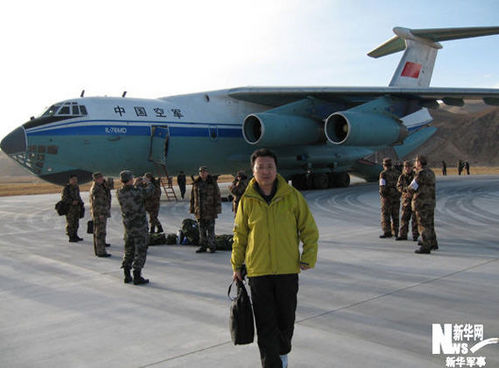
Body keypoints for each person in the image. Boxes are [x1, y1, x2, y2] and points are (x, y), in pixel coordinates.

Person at [231, 148, 319, 368]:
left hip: (287, 270)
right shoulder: (247, 200)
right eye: (260, 167)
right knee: (265, 324)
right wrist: (236, 264)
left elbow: (308, 229)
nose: (265, 171)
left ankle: (281, 353)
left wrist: (308, 256)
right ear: (253, 170)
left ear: (276, 169)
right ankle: (272, 363)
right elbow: (240, 234)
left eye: (269, 166)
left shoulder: (292, 196)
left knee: (286, 321)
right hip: (258, 272)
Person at [117, 170, 154, 285]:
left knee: (129, 250)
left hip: (128, 226)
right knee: (141, 250)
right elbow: (149, 191)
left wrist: (137, 184)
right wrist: (148, 182)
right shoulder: (137, 191)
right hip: (139, 225)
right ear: (130, 180)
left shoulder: (119, 192)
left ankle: (127, 275)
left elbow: (131, 192)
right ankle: (137, 275)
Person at [409, 155, 438, 254]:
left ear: (419, 163)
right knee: (430, 223)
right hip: (430, 202)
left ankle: (426, 246)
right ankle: (433, 243)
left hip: (421, 203)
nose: (415, 163)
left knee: (423, 225)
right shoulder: (431, 172)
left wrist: (405, 190)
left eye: (416, 161)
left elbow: (412, 187)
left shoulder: (420, 174)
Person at [190, 166, 221, 253]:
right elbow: (193, 197)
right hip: (199, 210)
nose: (202, 174)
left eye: (204, 172)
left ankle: (212, 246)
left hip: (210, 210)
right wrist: (192, 208)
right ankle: (203, 246)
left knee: (211, 229)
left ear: (207, 173)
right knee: (201, 230)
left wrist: (217, 209)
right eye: (201, 172)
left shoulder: (212, 182)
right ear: (199, 173)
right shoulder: (196, 183)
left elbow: (217, 195)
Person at [89, 172, 111, 257]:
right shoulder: (96, 189)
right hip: (99, 213)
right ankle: (100, 251)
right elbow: (97, 203)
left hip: (101, 212)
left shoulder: (101, 186)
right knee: (99, 232)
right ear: (96, 179)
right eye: (100, 178)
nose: (102, 179)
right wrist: (101, 214)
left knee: (101, 231)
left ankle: (101, 248)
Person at [396, 161, 419, 241]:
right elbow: (399, 187)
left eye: (408, 167)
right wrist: (405, 190)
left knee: (415, 219)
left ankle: (415, 235)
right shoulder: (402, 177)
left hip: (414, 200)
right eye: (406, 167)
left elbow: (418, 186)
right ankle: (403, 234)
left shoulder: (416, 176)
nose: (407, 169)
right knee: (404, 218)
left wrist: (412, 191)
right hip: (406, 201)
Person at [378, 157, 401, 238]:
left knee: (386, 215)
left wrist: (383, 196)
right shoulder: (398, 173)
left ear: (384, 165)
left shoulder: (383, 174)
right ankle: (396, 231)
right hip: (396, 197)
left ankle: (387, 232)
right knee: (395, 215)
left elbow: (382, 186)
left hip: (387, 197)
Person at [61, 174, 83, 242]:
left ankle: (75, 235)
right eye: (73, 179)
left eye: (75, 179)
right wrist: (72, 202)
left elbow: (78, 196)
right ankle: (71, 236)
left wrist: (80, 203)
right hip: (70, 208)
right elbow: (64, 198)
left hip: (77, 208)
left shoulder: (76, 187)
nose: (74, 181)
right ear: (70, 180)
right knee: (70, 223)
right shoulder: (66, 188)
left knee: (76, 222)